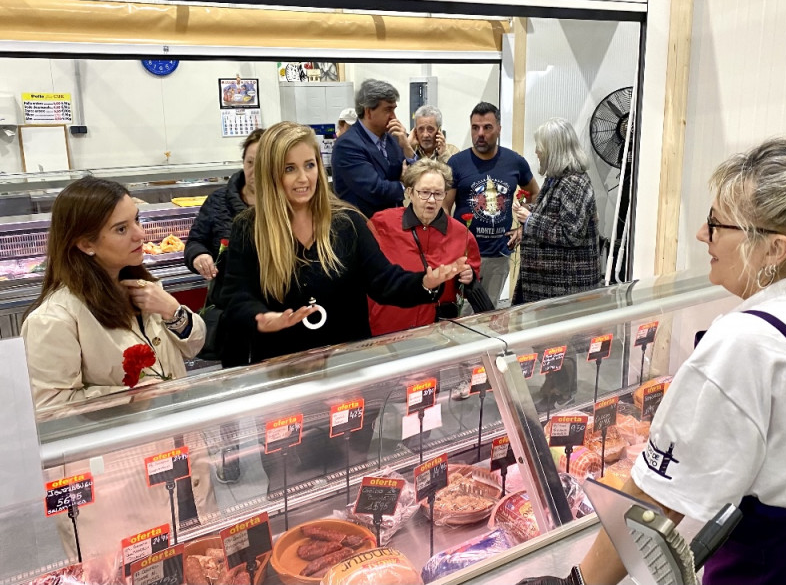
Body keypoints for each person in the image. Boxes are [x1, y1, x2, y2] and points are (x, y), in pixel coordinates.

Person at [538, 137, 786, 585]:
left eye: (716, 224)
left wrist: (579, 582)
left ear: (776, 249)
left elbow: (653, 504)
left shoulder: (749, 338)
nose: (701, 235)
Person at [20, 176, 216, 569]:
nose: (140, 235)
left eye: (137, 221)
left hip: (175, 451)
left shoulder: (143, 286)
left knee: (195, 559)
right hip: (115, 479)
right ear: (85, 243)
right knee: (134, 568)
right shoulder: (55, 318)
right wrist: (136, 394)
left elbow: (194, 344)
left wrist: (171, 309)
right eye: (122, 228)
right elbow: (49, 411)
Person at [218, 121, 466, 367]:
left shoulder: (348, 222)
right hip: (282, 369)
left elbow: (383, 281)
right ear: (271, 173)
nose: (304, 178)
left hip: (347, 368)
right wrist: (260, 318)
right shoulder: (249, 228)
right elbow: (236, 297)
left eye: (310, 165)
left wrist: (424, 282)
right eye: (289, 169)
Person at [367, 159, 481, 336]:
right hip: (387, 328)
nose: (432, 200)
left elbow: (468, 287)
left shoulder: (462, 234)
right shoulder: (382, 224)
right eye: (425, 193)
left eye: (438, 193)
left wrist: (469, 277)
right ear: (410, 193)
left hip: (436, 333)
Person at [444, 102, 540, 306]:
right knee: (464, 314)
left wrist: (523, 227)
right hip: (465, 255)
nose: (480, 133)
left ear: (498, 129)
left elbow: (534, 193)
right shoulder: (456, 163)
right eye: (475, 127)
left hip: (498, 254)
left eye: (487, 127)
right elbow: (444, 208)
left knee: (490, 312)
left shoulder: (515, 162)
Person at [512, 118, 601, 304]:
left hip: (565, 290)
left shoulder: (573, 183)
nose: (536, 152)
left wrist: (530, 220)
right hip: (551, 287)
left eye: (540, 147)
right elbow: (555, 214)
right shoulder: (558, 179)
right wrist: (531, 209)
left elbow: (571, 233)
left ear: (554, 150)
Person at [184, 128, 263, 280]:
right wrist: (198, 255)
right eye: (250, 162)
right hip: (225, 297)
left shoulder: (285, 203)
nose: (255, 171)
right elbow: (195, 241)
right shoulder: (218, 200)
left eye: (262, 163)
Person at [331, 79, 417, 217]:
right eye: (388, 110)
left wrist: (407, 147)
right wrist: (404, 185)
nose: (394, 116)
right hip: (362, 227)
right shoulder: (347, 145)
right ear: (368, 112)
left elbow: (417, 178)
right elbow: (374, 190)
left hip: (394, 223)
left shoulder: (394, 138)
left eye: (394, 109)